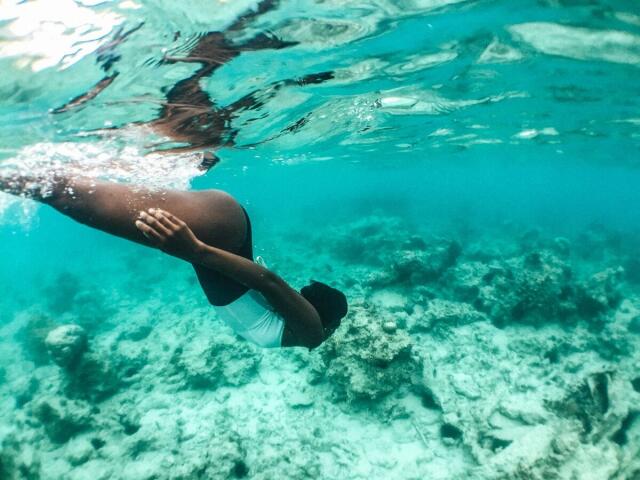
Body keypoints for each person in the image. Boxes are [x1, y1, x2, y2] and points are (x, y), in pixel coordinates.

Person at [0, 173, 348, 349]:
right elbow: (267, 281)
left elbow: (262, 290)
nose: (330, 336)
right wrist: (194, 251)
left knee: (73, 192)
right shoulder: (313, 334)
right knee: (66, 195)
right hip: (218, 233)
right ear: (323, 321)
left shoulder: (294, 327)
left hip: (218, 233)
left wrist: (197, 255)